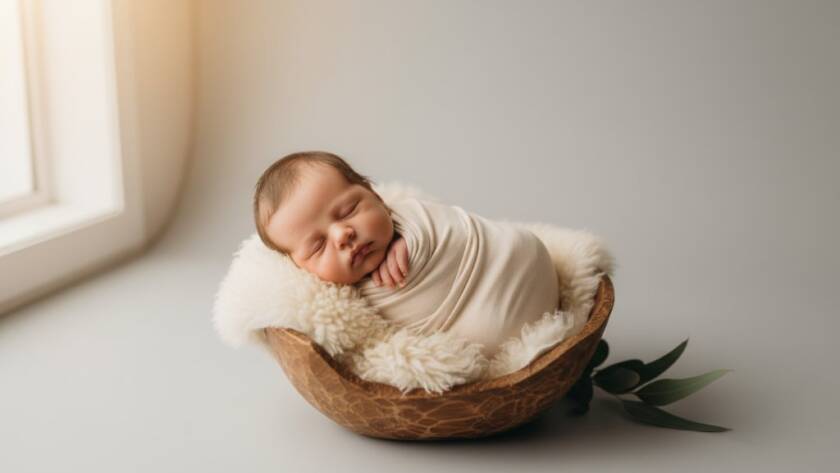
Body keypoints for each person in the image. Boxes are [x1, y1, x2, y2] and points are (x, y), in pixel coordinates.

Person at [253, 151, 560, 358]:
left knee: (520, 244)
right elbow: (368, 341)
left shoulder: (412, 217)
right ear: (299, 266)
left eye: (348, 210)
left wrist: (408, 238)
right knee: (479, 338)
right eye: (318, 246)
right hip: (491, 328)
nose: (342, 235)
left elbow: (446, 223)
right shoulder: (334, 302)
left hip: (518, 259)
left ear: (375, 195)